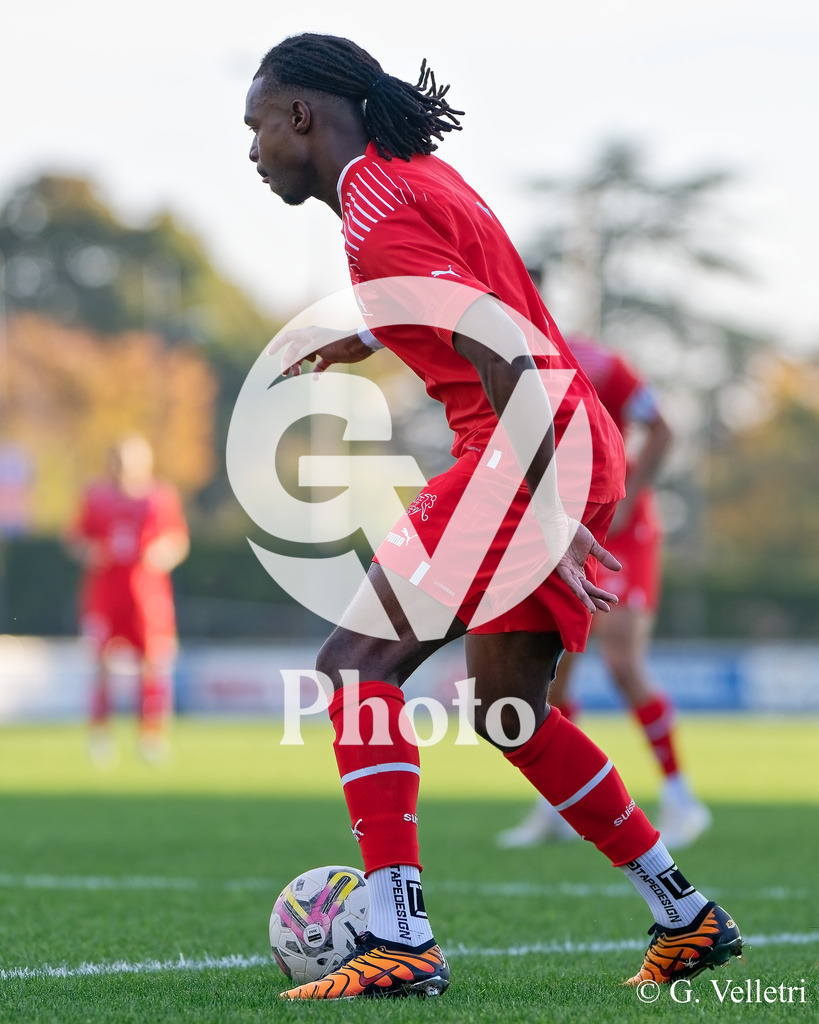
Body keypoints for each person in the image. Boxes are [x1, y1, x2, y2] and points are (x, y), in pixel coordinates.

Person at [245, 33, 741, 999]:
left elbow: (502, 347)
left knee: (353, 667)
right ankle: (683, 913)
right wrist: (365, 333)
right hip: (565, 440)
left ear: (300, 116)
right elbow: (469, 296)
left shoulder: (373, 218)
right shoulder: (409, 176)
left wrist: (548, 513)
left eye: (256, 126)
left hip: (522, 449)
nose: (254, 151)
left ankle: (398, 936)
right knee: (510, 711)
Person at [497, 330, 712, 851]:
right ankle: (555, 804)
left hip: (619, 528)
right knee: (555, 672)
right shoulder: (513, 359)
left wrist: (630, 498)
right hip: (565, 522)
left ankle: (681, 797)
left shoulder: (599, 361)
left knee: (620, 660)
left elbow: (662, 428)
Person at [67, 435, 189, 764]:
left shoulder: (160, 497)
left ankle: (151, 737)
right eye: (119, 461)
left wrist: (163, 552)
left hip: (148, 595)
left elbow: (177, 539)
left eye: (131, 461)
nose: (124, 468)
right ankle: (100, 734)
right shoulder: (95, 497)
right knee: (100, 662)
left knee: (155, 663)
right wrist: (89, 551)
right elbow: (76, 538)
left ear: (145, 463)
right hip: (105, 594)